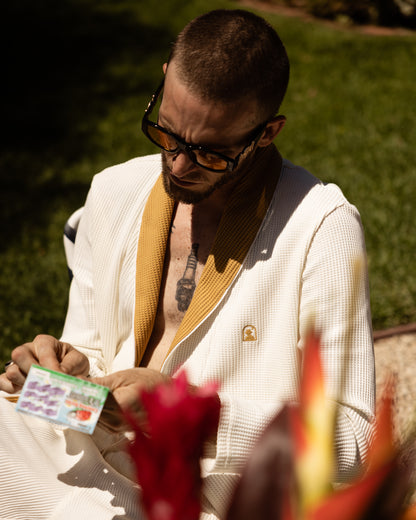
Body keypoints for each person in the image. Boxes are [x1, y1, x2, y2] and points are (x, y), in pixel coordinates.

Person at [0, 8, 375, 520]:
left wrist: (190, 413)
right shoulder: (112, 190)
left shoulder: (321, 229)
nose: (178, 165)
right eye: (168, 134)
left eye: (210, 153)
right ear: (162, 83)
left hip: (209, 498)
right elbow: (90, 387)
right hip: (96, 461)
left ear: (267, 133)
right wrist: (59, 379)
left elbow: (353, 438)